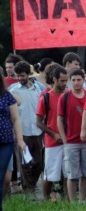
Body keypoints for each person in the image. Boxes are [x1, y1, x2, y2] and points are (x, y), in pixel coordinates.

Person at [8, 61, 44, 193]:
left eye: (22, 75)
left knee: (39, 163)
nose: (20, 78)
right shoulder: (13, 91)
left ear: (28, 75)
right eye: (18, 76)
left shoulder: (38, 89)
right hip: (22, 133)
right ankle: (28, 189)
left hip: (37, 131)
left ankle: (32, 184)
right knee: (24, 164)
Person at [57, 68, 86, 203]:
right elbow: (59, 119)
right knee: (72, 175)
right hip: (71, 141)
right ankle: (72, 203)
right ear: (70, 82)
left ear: (84, 80)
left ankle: (82, 201)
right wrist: (65, 140)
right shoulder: (65, 97)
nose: (76, 83)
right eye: (73, 80)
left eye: (79, 80)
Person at [35, 66, 68, 201]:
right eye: (62, 80)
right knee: (50, 175)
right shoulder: (46, 97)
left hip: (69, 140)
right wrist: (54, 135)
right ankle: (46, 199)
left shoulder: (68, 94)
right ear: (54, 79)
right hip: (52, 142)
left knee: (68, 174)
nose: (65, 83)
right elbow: (38, 122)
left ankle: (68, 200)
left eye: (66, 80)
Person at [0, 71, 26, 210]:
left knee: (5, 178)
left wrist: (20, 140)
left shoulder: (6, 95)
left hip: (6, 141)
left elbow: (15, 119)